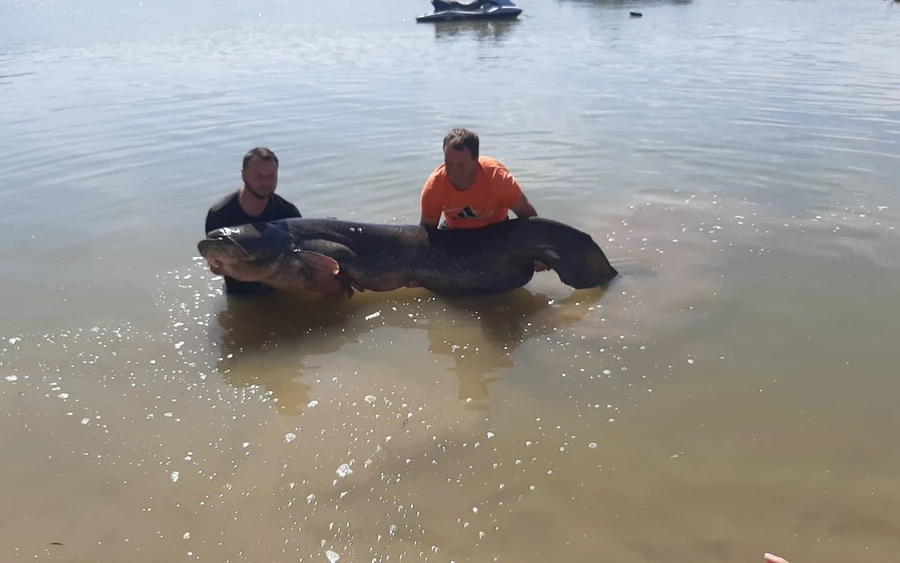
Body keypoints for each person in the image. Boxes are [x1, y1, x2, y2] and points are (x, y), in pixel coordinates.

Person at [418, 127, 548, 272]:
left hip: (497, 233)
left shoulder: (497, 178)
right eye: (449, 163)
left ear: (475, 158)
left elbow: (526, 214)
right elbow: (426, 234)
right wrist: (417, 270)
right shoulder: (434, 187)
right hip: (456, 236)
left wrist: (538, 251)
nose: (453, 171)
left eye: (460, 165)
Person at [204, 147, 302, 296]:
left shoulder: (288, 212)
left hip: (281, 291)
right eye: (259, 176)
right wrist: (216, 265)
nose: (265, 183)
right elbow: (215, 266)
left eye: (271, 176)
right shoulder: (220, 214)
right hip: (241, 295)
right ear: (244, 175)